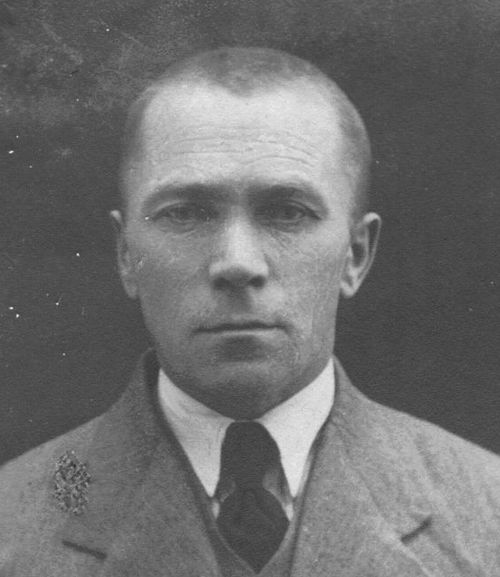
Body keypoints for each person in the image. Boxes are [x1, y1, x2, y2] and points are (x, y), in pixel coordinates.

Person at [1, 47, 499, 577]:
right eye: (186, 213)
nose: (237, 263)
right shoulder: (14, 522)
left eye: (287, 212)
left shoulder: (486, 513)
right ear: (127, 255)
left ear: (355, 255)